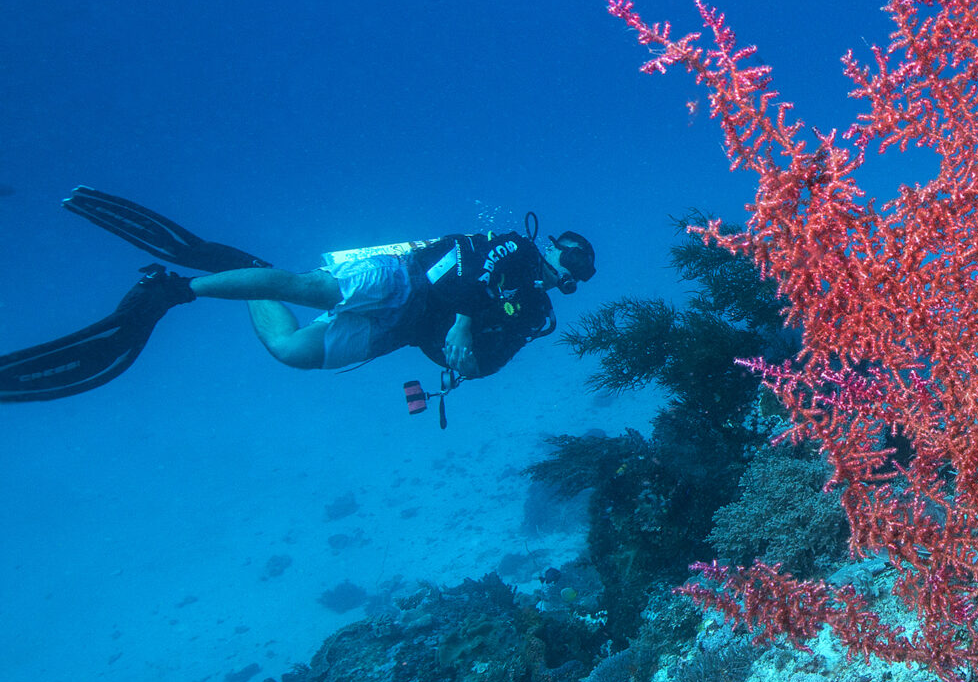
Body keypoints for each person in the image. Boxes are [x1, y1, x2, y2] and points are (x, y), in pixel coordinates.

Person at [0, 187, 594, 402]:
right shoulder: (513, 245)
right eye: (566, 249)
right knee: (310, 288)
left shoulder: (537, 311)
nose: (562, 262)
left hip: (401, 332)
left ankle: (246, 270)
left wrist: (459, 355)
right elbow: (464, 277)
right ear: (554, 243)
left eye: (575, 268)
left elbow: (486, 363)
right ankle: (174, 290)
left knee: (290, 353)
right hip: (405, 277)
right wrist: (463, 325)